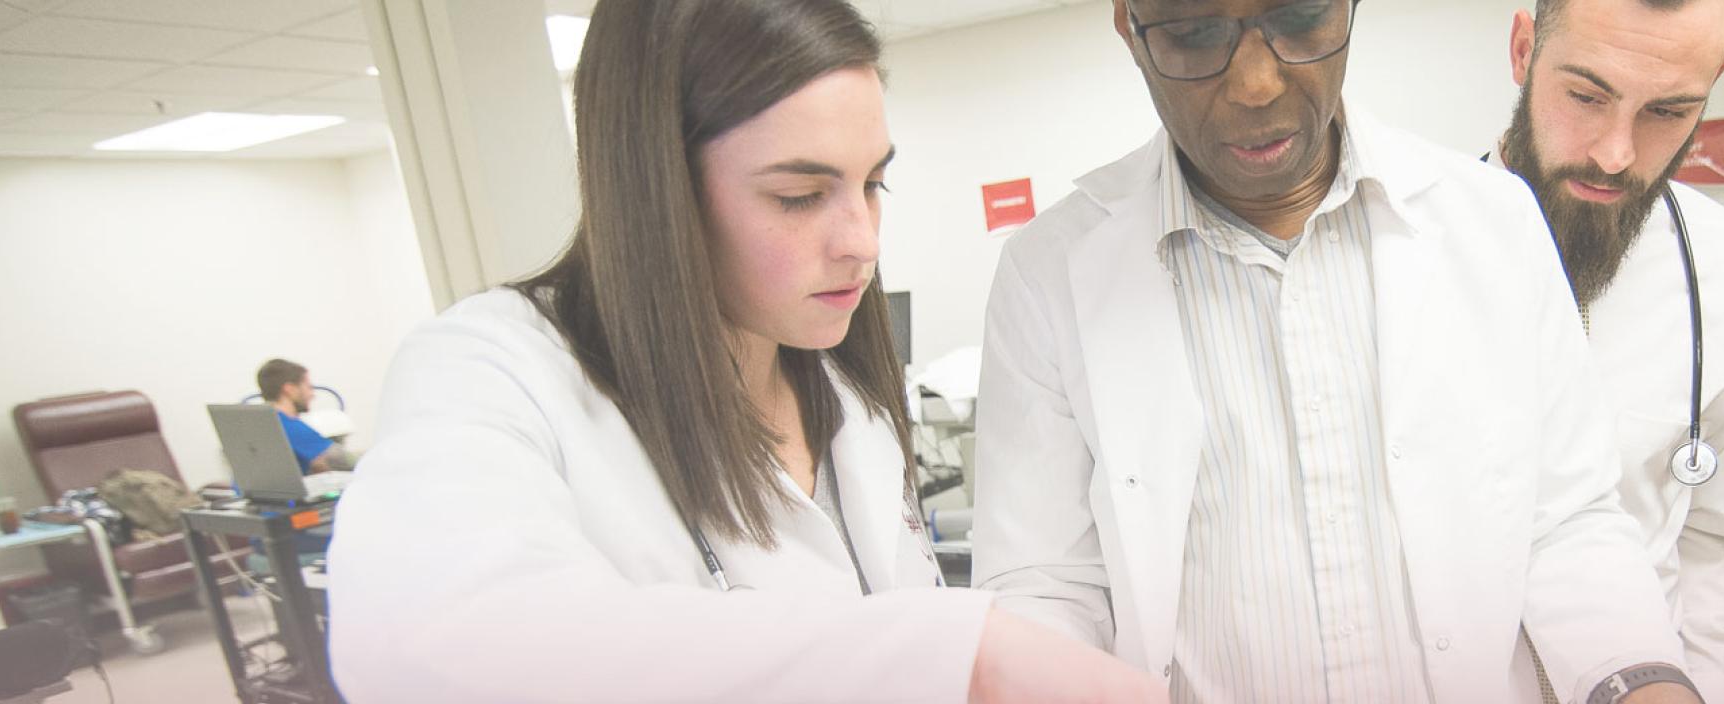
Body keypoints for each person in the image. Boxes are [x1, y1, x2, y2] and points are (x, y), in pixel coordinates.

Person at [325, 1, 1164, 701]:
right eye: (800, 197)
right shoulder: (494, 368)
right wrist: (958, 653)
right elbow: (424, 644)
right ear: (655, 186)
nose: (861, 241)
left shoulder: (844, 396)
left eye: (873, 182)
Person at [973, 0, 1697, 702]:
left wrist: (1638, 680)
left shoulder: (1495, 221)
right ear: (1129, 26)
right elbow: (1045, 587)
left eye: (1298, 19)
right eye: (1195, 33)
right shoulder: (1051, 274)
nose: (1257, 84)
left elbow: (1568, 519)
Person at [1489, 1, 1724, 702]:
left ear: (1717, 77)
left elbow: (1721, 549)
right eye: (1587, 96)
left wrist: (1701, 689)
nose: (1615, 153)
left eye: (1668, 111)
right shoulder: (1408, 249)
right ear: (1524, 49)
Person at [255, 358, 352, 474]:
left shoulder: (256, 423)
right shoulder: (287, 426)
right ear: (289, 389)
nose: (312, 395)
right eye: (308, 387)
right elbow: (343, 460)